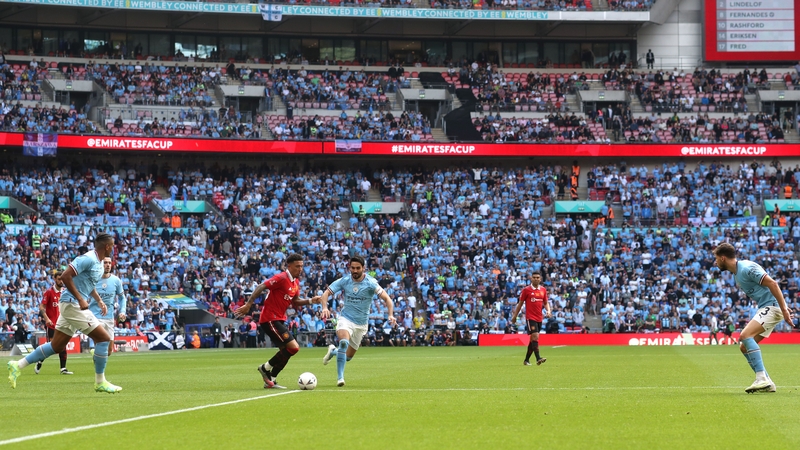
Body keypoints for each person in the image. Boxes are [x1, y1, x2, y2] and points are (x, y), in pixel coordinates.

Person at [7, 233, 121, 393]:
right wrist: (81, 299)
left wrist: (98, 300)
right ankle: (100, 381)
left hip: (70, 304)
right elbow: (66, 276)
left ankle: (18, 365)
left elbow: (89, 284)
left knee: (56, 345)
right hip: (71, 304)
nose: (114, 249)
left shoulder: (99, 263)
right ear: (107, 246)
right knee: (103, 339)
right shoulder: (87, 258)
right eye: (113, 246)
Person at [713, 243, 794, 393]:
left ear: (723, 258)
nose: (715, 262)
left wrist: (783, 308)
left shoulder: (746, 268)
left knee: (745, 335)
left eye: (716, 259)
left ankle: (761, 378)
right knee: (744, 346)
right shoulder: (737, 272)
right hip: (768, 307)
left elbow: (773, 283)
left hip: (771, 307)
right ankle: (768, 382)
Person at [235, 254, 320, 389]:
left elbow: (296, 301)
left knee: (285, 352)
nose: (300, 269)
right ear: (289, 266)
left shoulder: (295, 282)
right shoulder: (281, 278)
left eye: (302, 266)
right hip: (270, 318)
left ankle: (271, 380)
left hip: (279, 319)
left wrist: (311, 300)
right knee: (294, 347)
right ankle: (265, 368)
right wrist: (248, 304)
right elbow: (262, 286)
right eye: (297, 266)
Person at [319, 256, 396, 387]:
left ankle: (333, 352)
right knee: (343, 343)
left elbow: (388, 299)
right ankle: (340, 378)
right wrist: (325, 308)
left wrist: (390, 315)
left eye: (357, 268)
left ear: (363, 268)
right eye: (352, 268)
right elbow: (325, 294)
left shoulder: (371, 283)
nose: (354, 270)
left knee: (348, 357)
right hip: (345, 319)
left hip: (361, 324)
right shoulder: (345, 281)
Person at [510, 272, 552, 366]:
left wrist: (548, 311)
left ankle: (526, 360)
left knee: (533, 340)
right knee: (535, 337)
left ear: (540, 279)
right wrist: (515, 316)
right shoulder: (526, 290)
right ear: (531, 279)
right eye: (534, 277)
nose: (536, 279)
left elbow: (545, 303)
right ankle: (538, 358)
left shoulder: (543, 290)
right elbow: (520, 304)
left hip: (539, 318)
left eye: (538, 277)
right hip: (530, 317)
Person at [35, 271, 72, 375]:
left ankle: (63, 369)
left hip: (63, 324)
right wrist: (46, 318)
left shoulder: (65, 292)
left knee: (63, 345)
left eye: (62, 279)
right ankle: (40, 360)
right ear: (54, 279)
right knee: (52, 347)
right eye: (59, 279)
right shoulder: (49, 292)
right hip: (52, 325)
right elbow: (41, 306)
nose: (61, 281)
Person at [91, 257, 127, 360]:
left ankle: (95, 356)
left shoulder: (116, 280)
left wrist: (122, 311)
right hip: (95, 316)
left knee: (109, 351)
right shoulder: (94, 279)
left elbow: (122, 298)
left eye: (109, 263)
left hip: (109, 317)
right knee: (100, 343)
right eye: (105, 263)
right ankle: (99, 371)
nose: (107, 265)